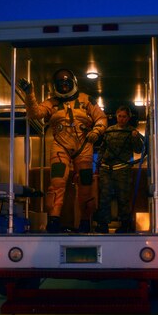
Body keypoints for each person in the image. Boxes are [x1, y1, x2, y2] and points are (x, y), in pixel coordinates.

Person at [18, 69, 107, 233]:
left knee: (86, 184)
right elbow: (35, 113)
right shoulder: (51, 102)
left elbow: (101, 118)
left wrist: (96, 131)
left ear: (73, 84)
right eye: (61, 84)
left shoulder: (86, 100)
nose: (64, 87)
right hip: (61, 146)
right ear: (56, 86)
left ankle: (85, 222)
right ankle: (54, 220)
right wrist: (30, 94)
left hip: (84, 145)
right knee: (57, 183)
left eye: (67, 83)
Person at [95, 105, 144, 233]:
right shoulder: (109, 130)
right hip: (106, 169)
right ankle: (103, 225)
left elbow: (138, 149)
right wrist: (98, 164)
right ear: (117, 116)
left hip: (122, 169)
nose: (121, 119)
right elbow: (102, 149)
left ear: (128, 118)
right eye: (120, 116)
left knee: (123, 197)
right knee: (104, 197)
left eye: (124, 117)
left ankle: (125, 225)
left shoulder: (132, 131)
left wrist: (135, 137)